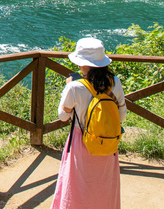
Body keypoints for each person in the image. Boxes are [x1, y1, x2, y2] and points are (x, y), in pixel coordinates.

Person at [51, 37, 126, 209]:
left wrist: (67, 89)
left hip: (80, 141)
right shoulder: (115, 82)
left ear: (84, 64)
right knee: (104, 186)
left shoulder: (74, 87)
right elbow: (122, 117)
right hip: (107, 142)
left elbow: (63, 116)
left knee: (77, 186)